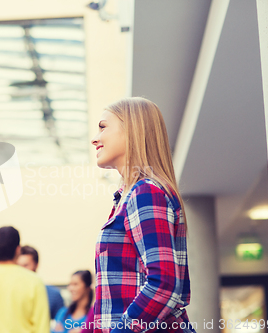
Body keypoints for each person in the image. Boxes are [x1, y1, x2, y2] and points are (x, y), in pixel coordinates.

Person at [90, 97, 196, 333]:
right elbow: (109, 297)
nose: (94, 138)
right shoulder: (126, 197)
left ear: (132, 129)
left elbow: (163, 285)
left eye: (103, 126)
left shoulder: (145, 192)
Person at [17, 245, 65, 320]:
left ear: (36, 265)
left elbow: (60, 327)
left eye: (26, 265)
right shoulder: (11, 294)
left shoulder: (53, 295)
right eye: (18, 266)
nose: (22, 270)